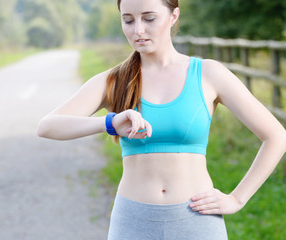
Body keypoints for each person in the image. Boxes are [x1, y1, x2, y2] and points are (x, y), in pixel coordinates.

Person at [37, 0, 286, 239]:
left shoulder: (208, 74)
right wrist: (110, 122)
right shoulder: (114, 81)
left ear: (173, 16)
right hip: (133, 221)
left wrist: (237, 199)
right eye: (128, 20)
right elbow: (48, 126)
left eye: (149, 18)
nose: (138, 30)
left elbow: (276, 136)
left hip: (197, 221)